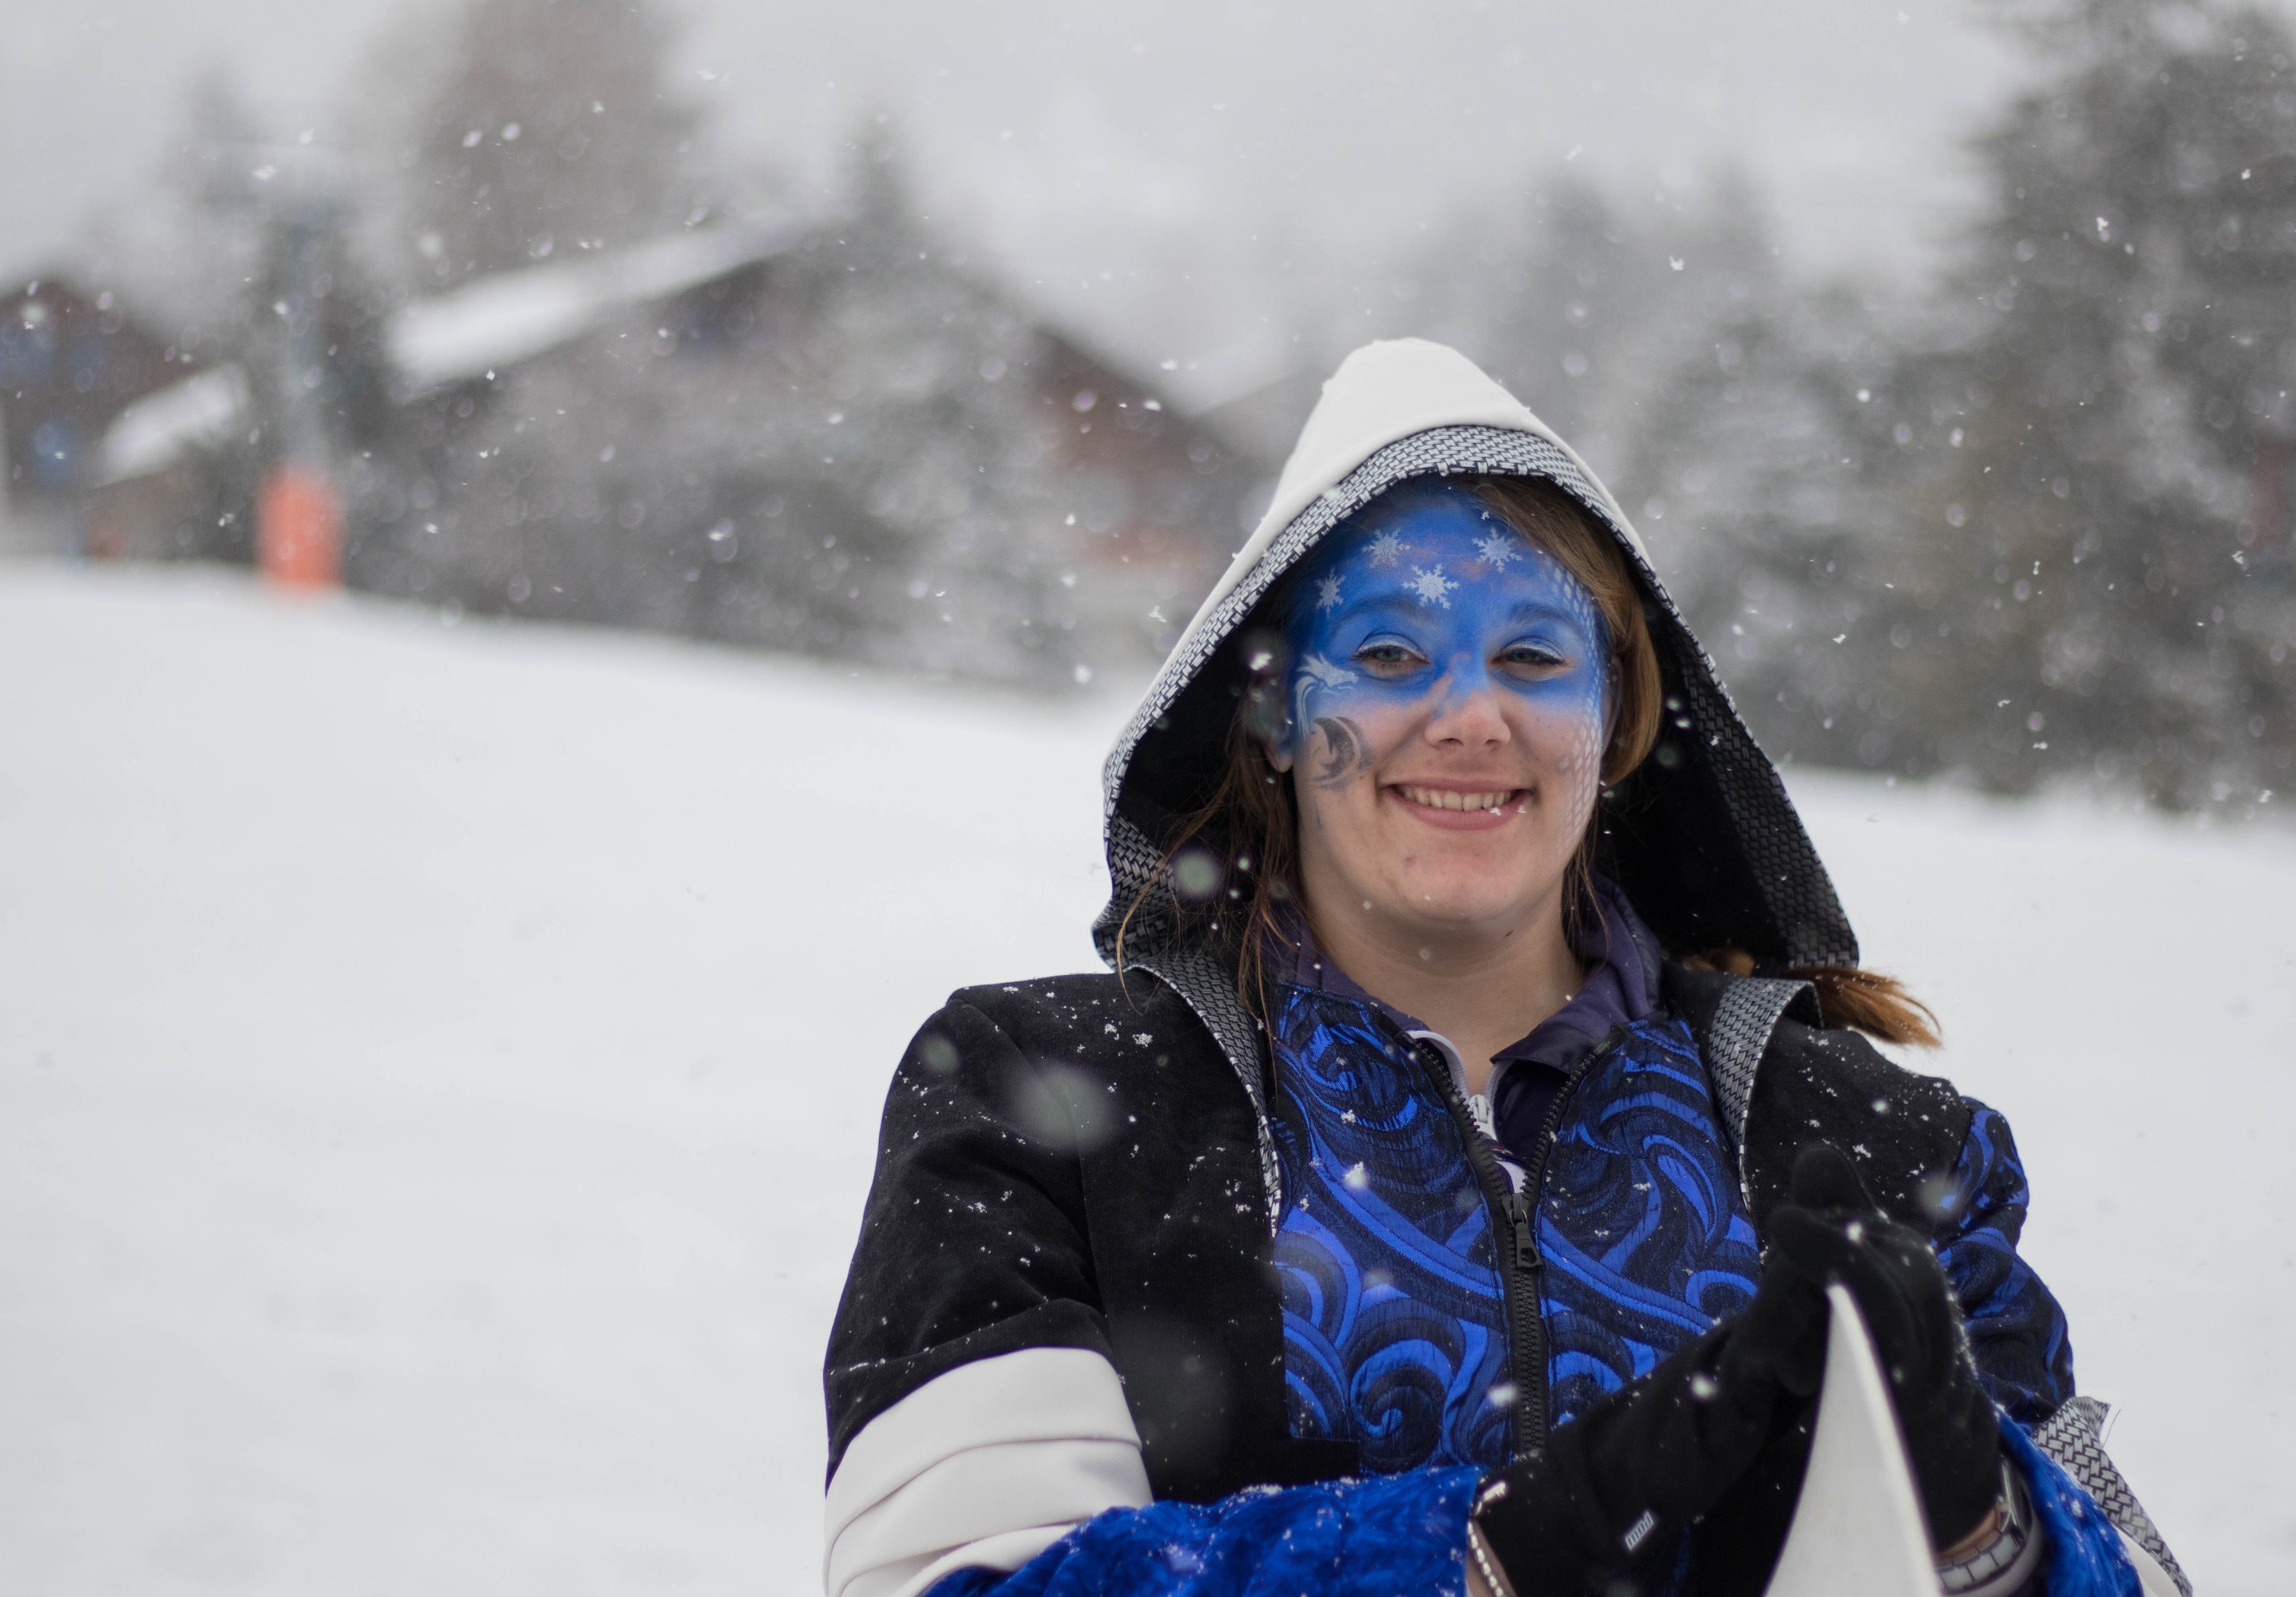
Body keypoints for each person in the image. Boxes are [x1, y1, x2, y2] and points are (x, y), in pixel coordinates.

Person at [821, 340, 2188, 1597]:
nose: (1471, 713)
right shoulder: (1041, 1107)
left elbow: (2141, 1574)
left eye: (1534, 655)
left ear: (1616, 714)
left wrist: (1988, 1531)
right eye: (1390, 651)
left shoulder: (1879, 1144)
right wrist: (1491, 1552)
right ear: (1277, 713)